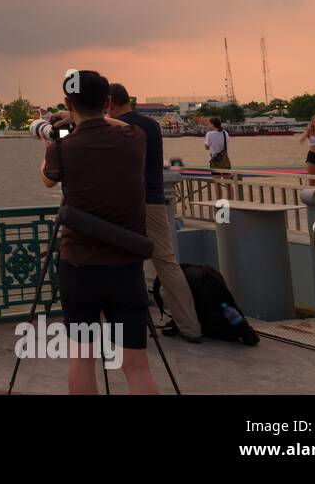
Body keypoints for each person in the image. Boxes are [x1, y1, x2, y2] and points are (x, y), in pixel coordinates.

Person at [40, 71, 158, 395]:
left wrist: (60, 129)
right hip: (126, 266)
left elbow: (47, 179)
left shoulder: (62, 147)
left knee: (82, 359)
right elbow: (119, 125)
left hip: (79, 265)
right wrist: (88, 117)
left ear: (67, 102)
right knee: (137, 366)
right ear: (107, 102)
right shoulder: (135, 138)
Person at [108, 84, 201, 344]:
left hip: (125, 206)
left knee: (118, 263)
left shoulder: (114, 128)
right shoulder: (150, 125)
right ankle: (190, 326)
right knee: (167, 263)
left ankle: (125, 326)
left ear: (109, 102)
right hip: (155, 201)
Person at [204, 117, 232, 198]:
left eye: (209, 123)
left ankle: (219, 202)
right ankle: (231, 202)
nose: (208, 125)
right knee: (228, 183)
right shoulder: (225, 133)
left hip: (215, 161)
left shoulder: (209, 134)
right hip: (225, 160)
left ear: (212, 124)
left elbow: (206, 147)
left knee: (217, 183)